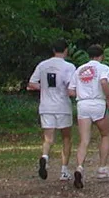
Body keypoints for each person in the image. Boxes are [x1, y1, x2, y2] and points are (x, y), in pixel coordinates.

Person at [26, 40, 77, 182]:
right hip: (62, 106)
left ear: (53, 50)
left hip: (46, 106)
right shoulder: (69, 67)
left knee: (48, 138)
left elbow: (32, 83)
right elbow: (71, 86)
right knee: (66, 137)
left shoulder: (43, 65)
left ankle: (45, 157)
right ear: (66, 50)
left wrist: (43, 88)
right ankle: (64, 170)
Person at [67, 44, 109, 189]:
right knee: (105, 134)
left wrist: (82, 93)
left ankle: (79, 167)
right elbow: (103, 82)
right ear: (101, 56)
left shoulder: (79, 69)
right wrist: (108, 98)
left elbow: (71, 91)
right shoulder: (103, 68)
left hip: (83, 105)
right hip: (98, 103)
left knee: (84, 140)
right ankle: (102, 168)